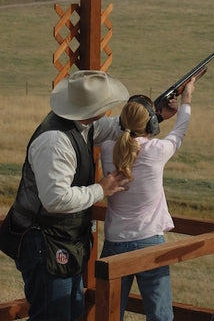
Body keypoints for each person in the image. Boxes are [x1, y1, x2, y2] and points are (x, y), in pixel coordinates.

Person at [0, 70, 133, 321]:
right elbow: (55, 200)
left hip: (59, 241)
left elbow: (110, 127)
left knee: (69, 312)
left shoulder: (81, 124)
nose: (107, 110)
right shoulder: (55, 141)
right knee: (54, 316)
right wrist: (101, 190)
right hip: (43, 241)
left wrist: (154, 114)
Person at [100, 77, 196, 321]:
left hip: (114, 241)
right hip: (149, 242)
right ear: (151, 124)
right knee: (160, 316)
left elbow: (127, 136)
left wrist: (155, 115)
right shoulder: (157, 151)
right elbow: (181, 130)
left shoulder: (107, 149)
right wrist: (187, 99)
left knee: (110, 314)